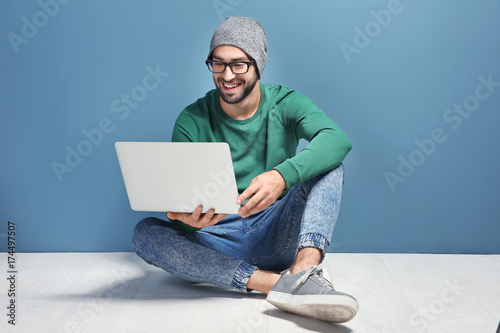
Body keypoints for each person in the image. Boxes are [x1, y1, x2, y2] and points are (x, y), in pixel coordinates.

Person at [133, 16, 359, 324]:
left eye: (239, 64)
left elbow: (337, 139)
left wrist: (281, 177)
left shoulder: (285, 103)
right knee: (145, 233)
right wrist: (187, 220)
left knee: (331, 167)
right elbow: (185, 204)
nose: (227, 75)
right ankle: (279, 285)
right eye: (218, 63)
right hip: (217, 242)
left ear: (258, 64)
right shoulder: (191, 120)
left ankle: (305, 272)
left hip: (277, 231)